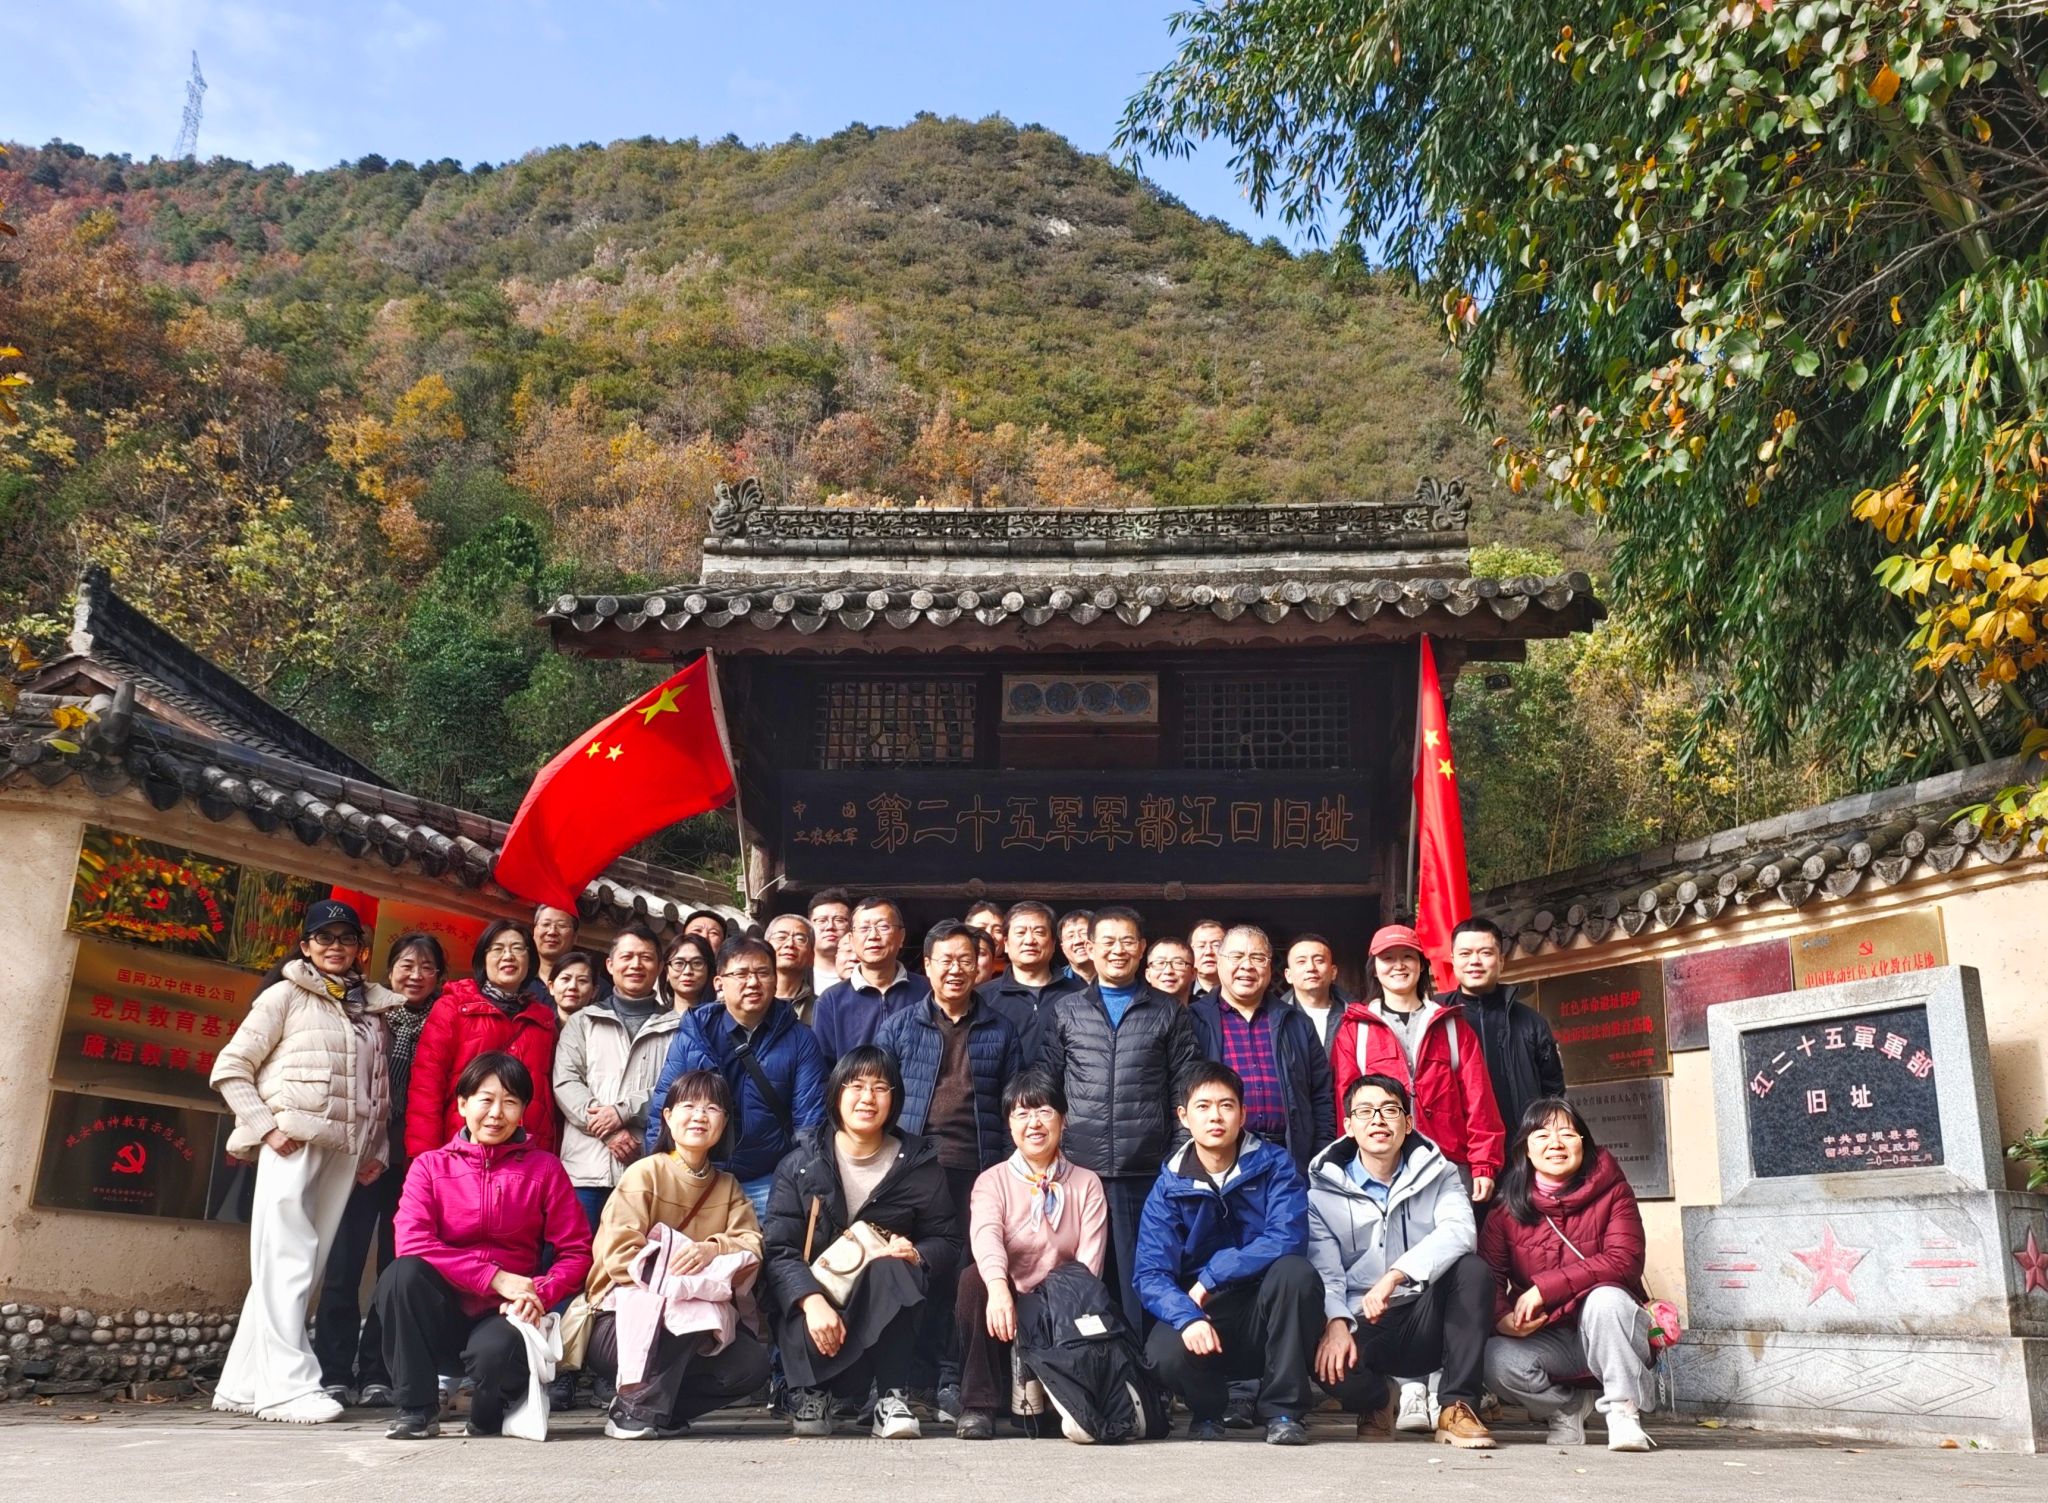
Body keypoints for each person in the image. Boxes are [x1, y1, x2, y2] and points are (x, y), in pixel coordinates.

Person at [210, 899, 399, 1424]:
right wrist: (266, 1128)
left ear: (360, 949)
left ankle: (244, 1382)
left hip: (345, 1150)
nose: (335, 946)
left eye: (345, 938)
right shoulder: (285, 995)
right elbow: (231, 1067)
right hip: (292, 1143)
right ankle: (287, 1388)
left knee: (303, 1265)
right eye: (324, 937)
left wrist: (376, 1149)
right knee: (287, 1259)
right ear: (306, 946)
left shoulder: (372, 1009)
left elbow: (377, 1088)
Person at [1331, 922, 1507, 1432]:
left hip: (1445, 1165)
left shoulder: (1450, 1025)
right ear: (1375, 967)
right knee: (1393, 1266)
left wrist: (1484, 1161)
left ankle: (1446, 1393)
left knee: (1453, 1270)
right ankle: (1409, 1389)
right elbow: (1347, 1103)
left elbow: (1478, 1096)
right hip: (1383, 1166)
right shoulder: (1356, 1031)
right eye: (1387, 959)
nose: (1398, 966)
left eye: (1407, 957)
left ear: (1422, 965)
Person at [377, 1053, 593, 1440]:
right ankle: (416, 1409)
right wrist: (494, 1277)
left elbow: (576, 1252)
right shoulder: (430, 1166)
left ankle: (492, 1407)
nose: (496, 1113)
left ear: (522, 1112)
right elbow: (411, 1241)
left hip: (506, 1314)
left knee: (494, 1365)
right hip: (442, 1314)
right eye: (485, 1099)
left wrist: (538, 1293)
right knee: (400, 1275)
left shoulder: (545, 1169)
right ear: (462, 1104)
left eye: (510, 1102)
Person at [761, 1047, 963, 1440]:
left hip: (881, 1320)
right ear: (836, 1093)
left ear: (895, 1099)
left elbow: (948, 1241)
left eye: (880, 1087)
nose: (867, 1097)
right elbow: (779, 1251)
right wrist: (810, 1301)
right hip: (816, 1320)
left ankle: (891, 1398)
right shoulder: (799, 1165)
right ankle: (813, 1393)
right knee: (795, 1289)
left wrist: (917, 1253)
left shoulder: (919, 1166)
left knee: (895, 1268)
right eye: (855, 1086)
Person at [874, 921, 1025, 1417]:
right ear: (927, 965)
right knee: (912, 1271)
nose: (956, 969)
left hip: (976, 1170)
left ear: (981, 965)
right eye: (946, 960)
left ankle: (950, 1379)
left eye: (966, 959)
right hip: (913, 1169)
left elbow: (1013, 1106)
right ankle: (907, 1381)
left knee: (963, 1276)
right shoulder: (900, 1026)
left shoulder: (1000, 1028)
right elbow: (880, 1096)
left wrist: (1009, 1172)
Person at [1135, 1063, 1321, 1446]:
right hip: (1204, 1312)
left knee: (1296, 1273)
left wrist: (1214, 1274)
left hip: (1263, 1307)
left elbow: (1287, 1237)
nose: (1215, 1116)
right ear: (1184, 1117)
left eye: (1226, 1105)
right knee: (1161, 1352)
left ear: (1243, 1114)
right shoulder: (1169, 1186)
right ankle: (1208, 1409)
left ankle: (1283, 1411)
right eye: (1203, 1107)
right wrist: (1187, 1317)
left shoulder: (1274, 1166)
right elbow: (1150, 1274)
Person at [579, 1070, 771, 1440]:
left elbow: (751, 1244)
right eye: (689, 1106)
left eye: (712, 1108)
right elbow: (618, 1257)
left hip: (691, 1327)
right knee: (692, 1310)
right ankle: (634, 1411)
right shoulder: (644, 1174)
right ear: (667, 1116)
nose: (700, 1116)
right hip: (618, 1323)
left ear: (724, 1122)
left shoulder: (727, 1187)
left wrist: (711, 1248)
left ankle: (655, 1410)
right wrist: (685, 1279)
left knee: (750, 1364)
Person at [1308, 1074, 1496, 1448]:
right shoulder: (1322, 1193)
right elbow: (1326, 1272)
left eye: (1390, 1110)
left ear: (1408, 1123)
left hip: (1426, 1314)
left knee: (1472, 1271)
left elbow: (1461, 1231)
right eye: (1365, 1111)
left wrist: (1397, 1274)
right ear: (1348, 1126)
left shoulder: (1440, 1173)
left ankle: (1456, 1407)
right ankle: (1379, 1401)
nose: (1378, 1120)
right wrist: (1336, 1321)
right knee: (1324, 1360)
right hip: (1364, 1320)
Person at [1039, 907, 1202, 1331]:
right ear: (1090, 948)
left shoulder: (1168, 1011)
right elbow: (1048, 1086)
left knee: (1141, 1279)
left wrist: (1175, 1158)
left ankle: (1144, 1367)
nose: (1117, 950)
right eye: (1108, 941)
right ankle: (1089, 1363)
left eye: (1128, 941)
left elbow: (1184, 1089)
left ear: (1142, 948)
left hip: (1143, 1170)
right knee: (1082, 1276)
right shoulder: (1066, 1010)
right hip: (1077, 1168)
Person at [314, 931, 446, 1408]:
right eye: (406, 965)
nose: (416, 975)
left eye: (427, 967)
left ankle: (378, 1371)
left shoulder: (445, 1021)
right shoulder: (367, 1015)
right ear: (388, 972)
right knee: (343, 1262)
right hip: (364, 1152)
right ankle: (332, 1369)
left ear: (439, 976)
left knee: (395, 1267)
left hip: (414, 1161)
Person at [1480, 1097, 1656, 1452]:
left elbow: (1624, 1261)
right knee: (1494, 1358)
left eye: (1567, 1133)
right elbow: (1489, 1277)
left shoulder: (1614, 1192)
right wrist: (1502, 1319)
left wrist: (1543, 1290)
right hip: (1553, 1338)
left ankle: (1623, 1411)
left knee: (1606, 1299)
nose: (1555, 1143)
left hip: (1613, 1330)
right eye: (1542, 1135)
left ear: (1584, 1144)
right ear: (1525, 1150)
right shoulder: (1505, 1211)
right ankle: (1567, 1408)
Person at [954, 1069, 1110, 1440]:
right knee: (974, 1280)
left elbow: (1088, 1268)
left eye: (1044, 1111)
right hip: (1005, 1310)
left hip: (1059, 1311)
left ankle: (1054, 1394)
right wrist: (998, 1290)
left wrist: (1046, 1312)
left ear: (1063, 1119)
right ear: (1009, 1124)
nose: (1034, 1123)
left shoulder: (1086, 1183)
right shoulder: (992, 1181)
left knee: (1044, 1426)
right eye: (1022, 1113)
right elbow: (986, 1236)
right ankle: (978, 1405)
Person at [645, 936, 828, 1217]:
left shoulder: (800, 1039)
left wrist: (801, 1180)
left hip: (769, 1178)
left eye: (763, 973)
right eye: (741, 974)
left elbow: (810, 1122)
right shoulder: (695, 1035)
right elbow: (664, 1108)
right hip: (698, 1174)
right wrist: (662, 1171)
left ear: (775, 980)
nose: (753, 982)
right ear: (719, 982)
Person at [554, 925, 686, 1230]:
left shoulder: (678, 1027)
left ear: (660, 967)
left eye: (646, 958)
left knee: (637, 1255)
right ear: (610, 965)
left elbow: (678, 1089)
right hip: (585, 1169)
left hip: (647, 1167)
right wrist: (609, 1132)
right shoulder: (582, 1020)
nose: (636, 965)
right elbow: (566, 1082)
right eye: (627, 957)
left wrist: (623, 1111)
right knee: (576, 1252)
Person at [407, 919, 561, 1158]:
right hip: (461, 1149)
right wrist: (424, 1157)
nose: (508, 956)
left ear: (530, 959)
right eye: (497, 949)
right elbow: (426, 1086)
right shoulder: (453, 1007)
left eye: (517, 948)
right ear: (483, 959)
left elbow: (549, 1098)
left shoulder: (544, 1020)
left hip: (526, 1153)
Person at [1188, 924, 1334, 1173]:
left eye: (1257, 958)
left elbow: (1321, 1095)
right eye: (1236, 956)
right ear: (1220, 963)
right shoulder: (1194, 1020)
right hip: (1220, 1159)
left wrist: (1319, 1157)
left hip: (1289, 1158)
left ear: (1269, 966)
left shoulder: (1296, 1022)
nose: (1247, 966)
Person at [1445, 917, 1565, 1141]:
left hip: (1520, 1147)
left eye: (1485, 953)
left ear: (1501, 960)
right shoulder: (1436, 1018)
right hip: (1456, 1150)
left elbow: (1553, 1092)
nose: (1474, 961)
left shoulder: (1531, 1023)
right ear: (1453, 960)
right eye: (1465, 954)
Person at [811, 896, 931, 1059]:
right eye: (864, 928)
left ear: (901, 936)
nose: (873, 935)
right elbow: (823, 1065)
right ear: (851, 939)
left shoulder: (927, 990)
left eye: (883, 927)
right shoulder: (831, 1000)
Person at [978, 900, 1085, 1062]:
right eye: (1020, 932)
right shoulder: (982, 998)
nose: (1029, 940)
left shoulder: (1081, 994)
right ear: (1006, 943)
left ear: (1053, 944)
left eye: (1039, 932)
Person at [1281, 934, 1346, 1047]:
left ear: (1333, 972)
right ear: (1288, 975)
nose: (1311, 968)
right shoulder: (1275, 1019)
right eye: (1301, 961)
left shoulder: (1353, 1015)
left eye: (1319, 960)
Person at [765, 913, 819, 1025]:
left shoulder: (821, 1008)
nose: (790, 944)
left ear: (812, 956)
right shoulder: (747, 999)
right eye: (781, 937)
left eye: (800, 939)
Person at [807, 888, 853, 995]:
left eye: (839, 920)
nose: (830, 927)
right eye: (821, 920)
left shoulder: (865, 975)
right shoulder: (797, 975)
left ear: (851, 927)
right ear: (808, 927)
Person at [659, 932, 717, 1013]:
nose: (687, 971)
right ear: (667, 972)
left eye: (697, 963)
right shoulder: (655, 1019)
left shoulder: (723, 1017)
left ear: (709, 970)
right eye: (679, 963)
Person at [533, 905, 581, 985]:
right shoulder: (518, 978)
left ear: (575, 937)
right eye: (546, 924)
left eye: (561, 925)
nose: (552, 932)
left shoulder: (591, 984)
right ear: (534, 932)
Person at [548, 949, 599, 1023]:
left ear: (594, 991)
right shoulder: (536, 1024)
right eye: (565, 979)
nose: (572, 986)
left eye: (582, 980)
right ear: (551, 987)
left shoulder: (602, 1028)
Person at [963, 900, 1008, 981]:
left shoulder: (1015, 974)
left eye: (998, 930)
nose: (989, 935)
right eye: (981, 929)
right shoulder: (955, 968)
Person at [1145, 937, 1196, 1006]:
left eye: (1178, 963)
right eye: (1160, 963)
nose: (1168, 971)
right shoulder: (1134, 1011)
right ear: (1148, 974)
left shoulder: (1207, 1011)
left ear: (1193, 973)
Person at [1187, 919, 1226, 1001]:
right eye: (1201, 946)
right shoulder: (1181, 995)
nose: (1208, 952)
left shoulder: (1242, 990)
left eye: (1216, 945)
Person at [1057, 909, 1095, 985]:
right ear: (1062, 948)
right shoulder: (1055, 983)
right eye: (1070, 936)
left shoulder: (1118, 975)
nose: (1078, 941)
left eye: (1084, 933)